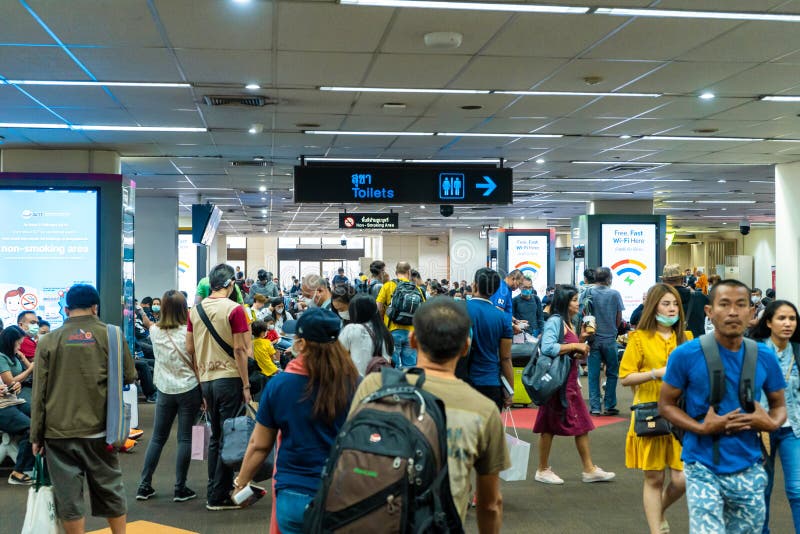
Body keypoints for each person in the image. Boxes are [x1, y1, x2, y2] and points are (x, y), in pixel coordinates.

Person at [348, 298, 510, 530]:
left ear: (413, 340)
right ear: (466, 347)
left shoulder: (374, 386)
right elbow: (491, 504)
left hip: (373, 519)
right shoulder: (483, 410)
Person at [660, 279, 787, 533]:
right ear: (709, 311)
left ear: (752, 313)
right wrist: (700, 427)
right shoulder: (685, 355)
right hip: (701, 465)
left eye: (741, 305)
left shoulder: (764, 355)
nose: (732, 312)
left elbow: (779, 405)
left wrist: (770, 423)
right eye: (724, 304)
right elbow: (665, 405)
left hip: (750, 465)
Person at [234, 308, 360, 534]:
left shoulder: (280, 385)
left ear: (301, 343)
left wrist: (241, 482)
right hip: (341, 492)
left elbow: (259, 445)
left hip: (293, 493)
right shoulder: (356, 384)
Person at [30, 284, 137, 534]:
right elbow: (129, 376)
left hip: (58, 432)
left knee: (68, 496)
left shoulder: (48, 340)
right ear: (95, 307)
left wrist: (36, 435)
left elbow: (39, 394)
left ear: (66, 309)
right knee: (110, 487)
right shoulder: (112, 334)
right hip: (102, 429)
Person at [619, 284, 691, 534]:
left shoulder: (687, 338)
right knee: (654, 478)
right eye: (666, 304)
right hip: (649, 411)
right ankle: (655, 529)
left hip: (682, 414)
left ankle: (657, 511)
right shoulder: (639, 338)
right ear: (654, 307)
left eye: (675, 305)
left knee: (681, 479)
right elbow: (625, 377)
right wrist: (654, 373)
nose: (671, 309)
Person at [186, 263, 253, 511]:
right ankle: (218, 496)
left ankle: (214, 488)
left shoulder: (195, 310)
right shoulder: (235, 310)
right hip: (230, 378)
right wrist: (246, 385)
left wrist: (200, 379)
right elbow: (239, 349)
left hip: (207, 380)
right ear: (229, 284)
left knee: (216, 436)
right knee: (230, 438)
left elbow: (190, 349)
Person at [533, 284, 615, 485]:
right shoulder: (555, 321)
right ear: (564, 302)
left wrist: (581, 341)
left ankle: (588, 468)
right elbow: (548, 347)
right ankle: (543, 469)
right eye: (574, 300)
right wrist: (575, 345)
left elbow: (565, 350)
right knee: (550, 426)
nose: (578, 303)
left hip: (567, 381)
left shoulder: (568, 322)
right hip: (558, 384)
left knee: (580, 424)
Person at [136, 290, 203, 503]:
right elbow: (196, 363)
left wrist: (139, 310)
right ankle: (179, 488)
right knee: (184, 438)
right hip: (189, 388)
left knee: (157, 438)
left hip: (164, 390)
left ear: (162, 309)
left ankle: (144, 486)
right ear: (184, 309)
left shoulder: (155, 332)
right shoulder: (189, 333)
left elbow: (148, 323)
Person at [749, 300, 800, 533]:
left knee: (798, 489)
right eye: (781, 318)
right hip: (761, 428)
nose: (788, 323)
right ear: (768, 322)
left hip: (794, 427)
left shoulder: (798, 351)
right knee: (762, 488)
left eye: (792, 319)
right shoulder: (754, 351)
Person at [461, 268, 513, 411]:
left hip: (463, 382)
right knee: (490, 432)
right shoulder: (502, 318)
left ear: (475, 285)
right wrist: (510, 390)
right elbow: (506, 358)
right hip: (491, 383)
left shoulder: (460, 309)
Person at [587, 267, 624, 416]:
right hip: (610, 338)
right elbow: (619, 316)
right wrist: (613, 330)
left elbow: (584, 313)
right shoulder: (615, 294)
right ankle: (609, 405)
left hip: (593, 338)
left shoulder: (588, 292)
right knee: (612, 373)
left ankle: (595, 407)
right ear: (609, 278)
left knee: (593, 374)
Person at [377, 261, 426, 369]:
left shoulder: (387, 286)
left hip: (391, 331)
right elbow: (423, 310)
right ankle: (409, 384)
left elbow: (379, 307)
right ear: (409, 272)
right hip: (411, 333)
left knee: (392, 365)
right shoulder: (416, 288)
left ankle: (394, 385)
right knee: (410, 366)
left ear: (395, 272)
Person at [337, 295, 393, 375]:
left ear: (355, 312)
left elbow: (337, 354)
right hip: (380, 382)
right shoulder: (385, 333)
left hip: (358, 383)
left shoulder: (352, 329)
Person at [0, 381, 35, 485]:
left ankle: (37, 470)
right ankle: (18, 472)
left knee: (46, 418)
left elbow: (9, 382)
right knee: (32, 429)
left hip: (15, 401)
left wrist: (16, 385)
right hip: (2, 408)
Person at [661, 264, 709, 339]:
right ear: (682, 279)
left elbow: (636, 318)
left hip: (670, 346)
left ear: (663, 281)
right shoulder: (700, 297)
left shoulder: (659, 301)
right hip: (697, 345)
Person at [0, 326, 35, 410]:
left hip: (22, 387)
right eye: (19, 343)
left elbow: (33, 369)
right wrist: (29, 370)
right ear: (10, 343)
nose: (19, 347)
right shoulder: (2, 357)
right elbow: (10, 383)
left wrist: (23, 358)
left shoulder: (13, 353)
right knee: (35, 409)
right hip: (13, 393)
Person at [490, 269, 526, 335]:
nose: (518, 287)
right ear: (513, 279)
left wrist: (515, 321)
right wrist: (513, 325)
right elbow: (498, 311)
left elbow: (505, 310)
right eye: (519, 284)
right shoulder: (502, 289)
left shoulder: (508, 289)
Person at [250, 320, 279, 392]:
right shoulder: (267, 342)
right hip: (271, 369)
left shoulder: (251, 344)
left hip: (258, 370)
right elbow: (272, 357)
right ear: (263, 332)